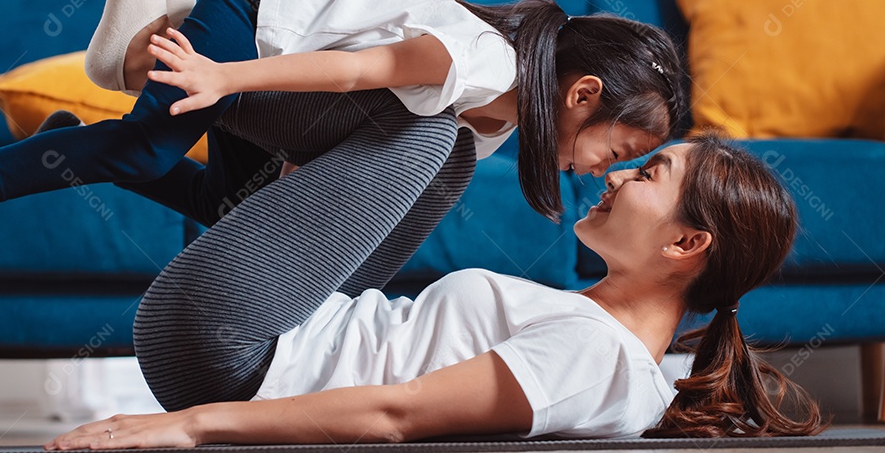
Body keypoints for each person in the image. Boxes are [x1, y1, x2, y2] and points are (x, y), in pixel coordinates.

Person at [0, 0, 684, 285]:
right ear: (580, 94)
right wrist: (220, 78)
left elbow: (376, 171)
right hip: (259, 22)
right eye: (616, 151)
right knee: (147, 144)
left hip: (267, 46)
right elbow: (358, 74)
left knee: (230, 207)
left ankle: (126, 76)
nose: (600, 170)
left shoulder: (487, 126)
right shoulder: (486, 64)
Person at [43, 134, 826, 448]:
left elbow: (397, 413)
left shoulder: (595, 355)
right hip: (287, 325)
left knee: (436, 134)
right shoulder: (625, 359)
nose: (619, 173)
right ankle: (122, 148)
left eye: (649, 173)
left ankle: (128, 133)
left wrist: (187, 427)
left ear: (687, 245)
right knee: (405, 147)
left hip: (241, 353)